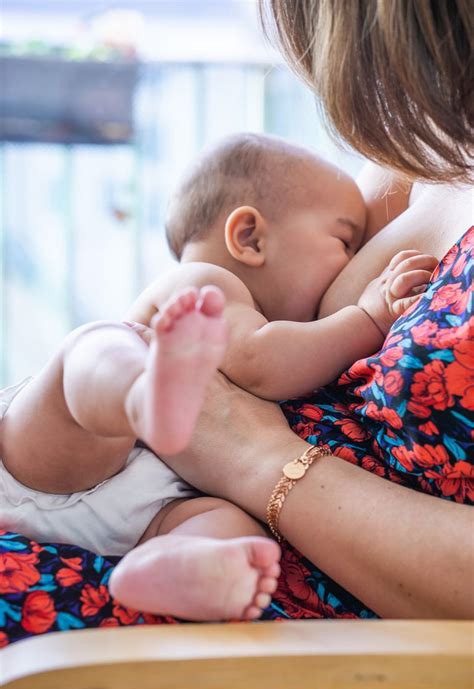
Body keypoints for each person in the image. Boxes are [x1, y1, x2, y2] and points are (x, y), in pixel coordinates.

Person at [120, 0, 473, 624]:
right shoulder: (423, 146)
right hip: (169, 513)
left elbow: (258, 372)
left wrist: (253, 458)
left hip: (324, 639)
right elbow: (263, 348)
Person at [0, 135, 434, 621]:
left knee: (231, 532)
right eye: (344, 241)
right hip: (49, 462)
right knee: (99, 349)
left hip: (147, 507)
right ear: (249, 237)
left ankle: (172, 568)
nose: (351, 264)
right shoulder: (206, 284)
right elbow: (260, 363)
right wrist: (367, 319)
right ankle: (141, 395)